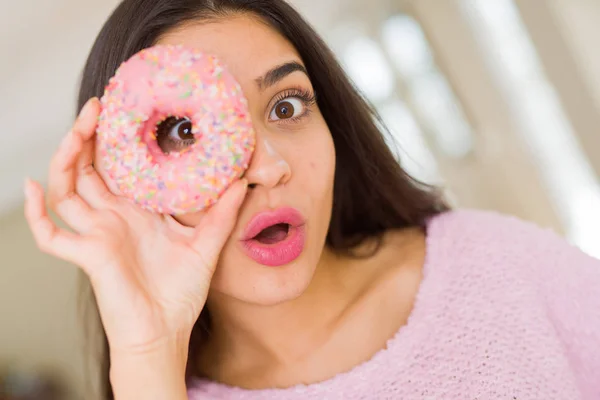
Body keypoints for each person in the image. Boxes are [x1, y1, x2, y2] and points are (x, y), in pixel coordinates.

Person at [23, 0, 600, 399]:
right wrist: (149, 351)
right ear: (123, 175)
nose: (269, 168)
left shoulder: (496, 267)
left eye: (286, 105)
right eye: (183, 132)